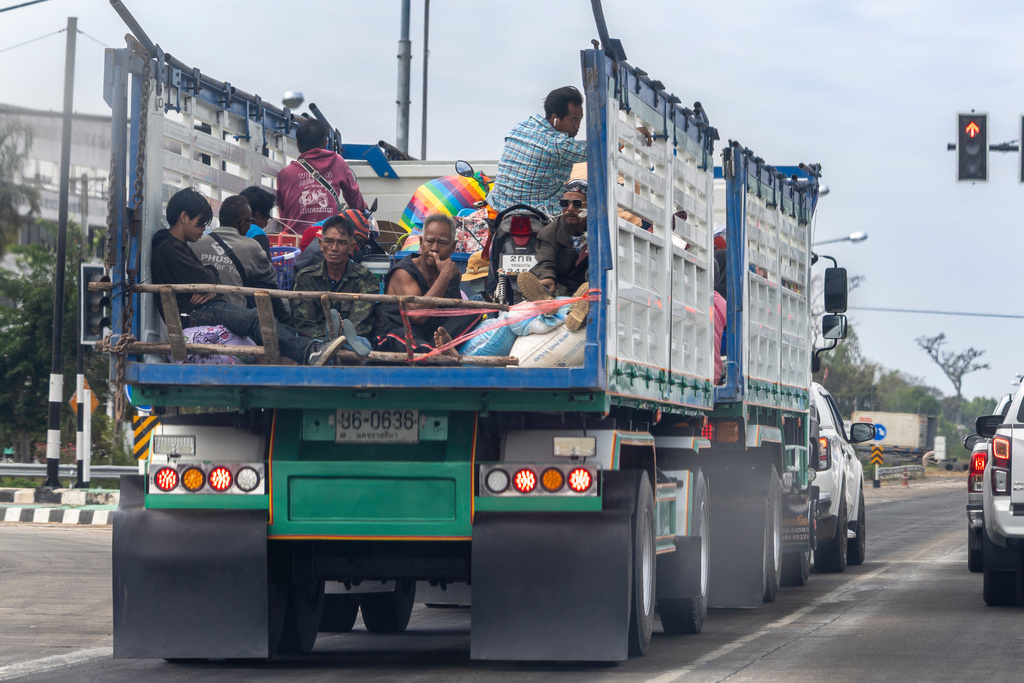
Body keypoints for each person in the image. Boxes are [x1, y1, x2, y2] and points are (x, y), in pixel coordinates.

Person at [151, 187, 346, 366]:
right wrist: (209, 282)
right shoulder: (170, 248)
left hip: (204, 307)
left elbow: (209, 276)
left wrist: (210, 282)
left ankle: (310, 349)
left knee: (256, 319)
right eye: (200, 222)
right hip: (195, 313)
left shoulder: (180, 245)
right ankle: (309, 351)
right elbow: (204, 276)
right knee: (255, 319)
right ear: (184, 217)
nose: (203, 228)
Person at [373, 214, 481, 356]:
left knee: (474, 312)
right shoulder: (403, 272)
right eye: (429, 241)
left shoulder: (452, 274)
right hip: (397, 334)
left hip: (430, 335)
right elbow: (418, 316)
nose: (434, 248)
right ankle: (436, 353)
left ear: (453, 247)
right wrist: (444, 277)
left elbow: (452, 314)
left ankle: (438, 347)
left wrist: (447, 276)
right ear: (421, 243)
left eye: (442, 243)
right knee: (405, 339)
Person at [486, 86, 587, 219]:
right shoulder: (558, 144)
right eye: (574, 120)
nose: (577, 126)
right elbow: (594, 149)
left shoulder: (521, 127)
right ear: (555, 118)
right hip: (534, 218)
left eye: (580, 120)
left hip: (495, 210)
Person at [189, 195, 291, 324]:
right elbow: (270, 285)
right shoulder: (252, 246)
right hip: (238, 322)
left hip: (199, 319)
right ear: (243, 224)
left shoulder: (194, 243)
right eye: (250, 221)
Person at [292, 215, 378, 351]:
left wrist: (340, 339)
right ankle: (329, 347)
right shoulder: (305, 278)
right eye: (328, 241)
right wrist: (328, 341)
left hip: (353, 342)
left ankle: (336, 345)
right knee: (311, 348)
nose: (334, 248)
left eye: (342, 243)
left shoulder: (366, 279)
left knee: (363, 346)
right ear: (321, 245)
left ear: (352, 247)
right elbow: (305, 325)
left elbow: (360, 325)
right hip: (316, 341)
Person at [276, 119, 368, 233]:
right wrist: (364, 211)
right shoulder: (338, 162)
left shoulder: (285, 174)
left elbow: (283, 212)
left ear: (298, 145)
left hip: (294, 242)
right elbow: (354, 197)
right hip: (327, 238)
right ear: (325, 143)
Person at [527, 179, 589, 297]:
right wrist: (547, 278)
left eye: (577, 204)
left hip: (588, 287)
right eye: (565, 203)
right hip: (561, 287)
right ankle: (546, 304)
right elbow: (545, 261)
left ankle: (577, 307)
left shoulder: (600, 232)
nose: (570, 208)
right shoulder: (549, 232)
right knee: (543, 287)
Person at [239, 185, 276, 258]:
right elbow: (266, 267)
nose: (268, 221)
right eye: (268, 217)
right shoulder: (258, 234)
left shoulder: (233, 228)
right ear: (258, 215)